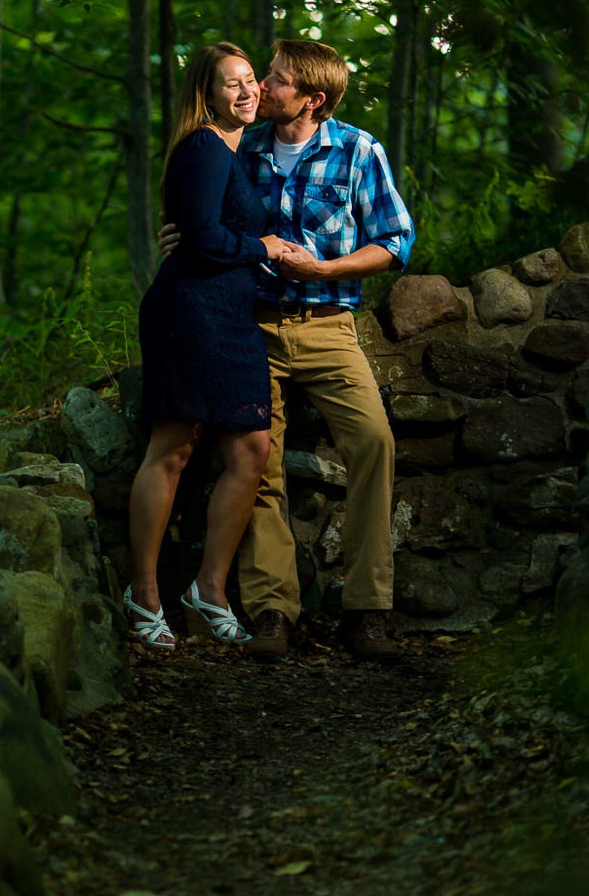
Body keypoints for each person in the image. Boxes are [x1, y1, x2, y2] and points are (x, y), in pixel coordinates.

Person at [159, 38, 415, 660]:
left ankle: (368, 609)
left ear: (313, 99)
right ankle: (273, 609)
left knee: (374, 443)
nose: (262, 87)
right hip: (250, 325)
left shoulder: (357, 150)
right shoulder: (238, 147)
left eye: (275, 79)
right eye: (262, 77)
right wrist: (187, 238)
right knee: (257, 464)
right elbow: (207, 222)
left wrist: (328, 272)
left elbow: (395, 240)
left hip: (330, 327)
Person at [125, 42, 297, 649]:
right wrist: (266, 247)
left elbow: (199, 227)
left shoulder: (235, 149)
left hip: (231, 314)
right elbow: (198, 238)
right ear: (207, 93)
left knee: (250, 449)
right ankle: (144, 597)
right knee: (173, 449)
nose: (248, 91)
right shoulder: (202, 145)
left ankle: (208, 591)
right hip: (190, 311)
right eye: (233, 84)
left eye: (253, 80)